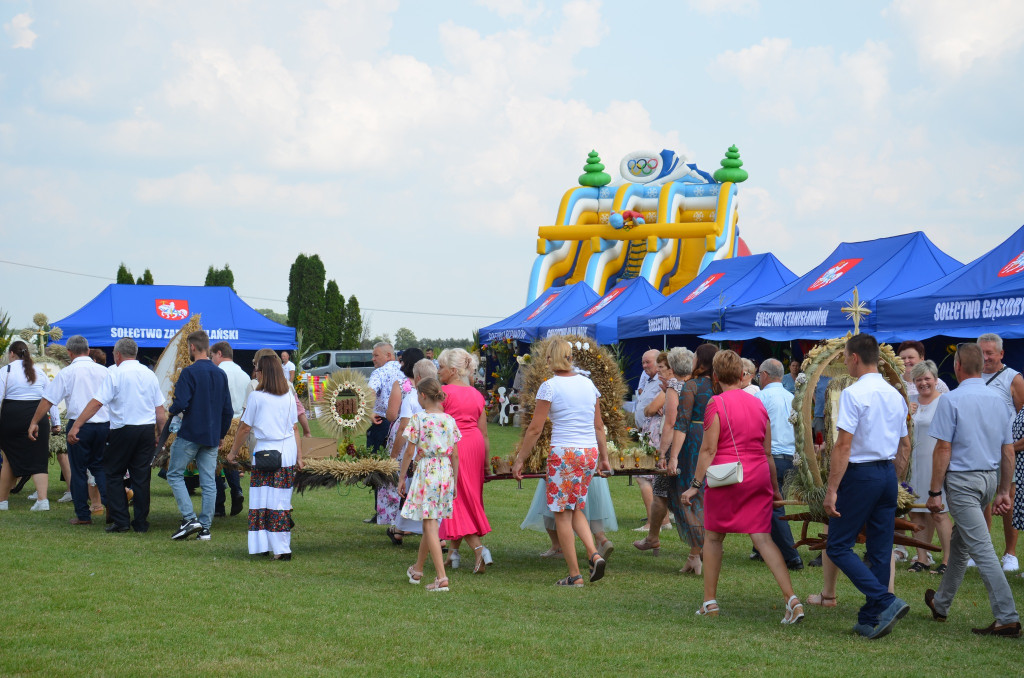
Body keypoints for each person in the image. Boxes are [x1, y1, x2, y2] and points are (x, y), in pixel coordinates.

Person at [681, 350, 804, 622]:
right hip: (758, 473)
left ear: (715, 376)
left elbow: (709, 449)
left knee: (713, 538)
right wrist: (774, 488)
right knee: (763, 538)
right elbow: (768, 452)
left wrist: (694, 485)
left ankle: (710, 601)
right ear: (741, 374)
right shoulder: (759, 404)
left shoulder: (716, 403)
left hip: (727, 476)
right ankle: (792, 600)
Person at [924, 342, 1020, 637]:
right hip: (989, 479)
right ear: (981, 365)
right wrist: (1004, 490)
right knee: (963, 543)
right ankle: (941, 603)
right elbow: (1008, 451)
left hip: (964, 481)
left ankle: (1007, 616)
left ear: (958, 367)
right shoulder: (998, 401)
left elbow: (943, 449)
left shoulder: (951, 400)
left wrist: (934, 492)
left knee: (982, 548)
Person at [824, 333, 912, 639]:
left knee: (837, 544)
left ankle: (885, 601)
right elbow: (905, 445)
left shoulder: (854, 393)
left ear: (855, 358)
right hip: (887, 473)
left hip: (861, 474)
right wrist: (896, 480)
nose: (845, 361)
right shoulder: (895, 394)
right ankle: (870, 617)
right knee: (879, 548)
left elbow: (843, 446)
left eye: (846, 357)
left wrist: (832, 488)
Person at [513, 339, 611, 586]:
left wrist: (520, 459)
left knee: (561, 514)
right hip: (588, 453)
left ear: (550, 358)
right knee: (576, 507)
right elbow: (598, 425)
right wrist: (605, 457)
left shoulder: (549, 387)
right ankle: (594, 553)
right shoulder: (589, 385)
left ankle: (575, 575)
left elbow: (535, 429)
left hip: (564, 453)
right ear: (569, 356)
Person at [68, 337, 167, 533]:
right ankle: (140, 523)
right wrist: (161, 436)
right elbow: (160, 411)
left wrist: (77, 425)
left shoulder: (116, 374)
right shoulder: (149, 374)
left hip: (123, 429)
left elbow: (97, 403)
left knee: (112, 473)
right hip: (146, 430)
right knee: (141, 477)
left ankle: (121, 520)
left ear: (118, 355)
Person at [636, 344, 718, 574]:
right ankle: (695, 550)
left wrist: (665, 455)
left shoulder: (682, 385)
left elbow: (674, 423)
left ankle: (688, 546)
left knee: (677, 493)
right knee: (700, 492)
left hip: (685, 446)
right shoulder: (715, 385)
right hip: (711, 441)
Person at [226, 354, 302, 560]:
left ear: (264, 373)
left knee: (262, 501)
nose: (255, 373)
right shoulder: (287, 395)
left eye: (257, 370)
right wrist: (299, 456)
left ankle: (272, 547)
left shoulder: (257, 397)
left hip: (266, 453)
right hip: (286, 452)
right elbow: (295, 428)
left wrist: (233, 452)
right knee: (281, 502)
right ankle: (279, 545)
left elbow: (244, 428)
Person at [27, 335, 109, 524]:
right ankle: (111, 505)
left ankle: (83, 515)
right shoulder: (104, 371)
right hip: (104, 425)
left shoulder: (67, 372)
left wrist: (34, 422)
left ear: (69, 353)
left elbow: (48, 399)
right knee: (100, 467)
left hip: (79, 426)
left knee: (78, 470)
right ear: (88, 351)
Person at [164, 331, 233, 541]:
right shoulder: (220, 374)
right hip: (212, 435)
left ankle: (189, 518)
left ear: (192, 347)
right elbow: (227, 410)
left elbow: (181, 403)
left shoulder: (189, 372)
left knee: (174, 474)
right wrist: (221, 434)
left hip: (191, 433)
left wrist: (172, 410)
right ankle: (205, 528)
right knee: (209, 481)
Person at [398, 377, 460, 592]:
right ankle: (417, 569)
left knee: (430, 525)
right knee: (430, 523)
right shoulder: (449, 420)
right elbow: (456, 456)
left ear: (423, 395)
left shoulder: (418, 419)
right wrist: (456, 482)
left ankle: (441, 578)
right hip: (445, 472)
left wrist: (401, 477)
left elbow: (408, 452)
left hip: (427, 472)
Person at [437, 347, 492, 572]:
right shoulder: (477, 395)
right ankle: (453, 554)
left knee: (456, 500)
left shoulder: (444, 393)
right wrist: (487, 463)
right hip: (476, 446)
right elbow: (485, 433)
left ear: (452, 370)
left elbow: (438, 427)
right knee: (468, 499)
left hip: (455, 446)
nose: (438, 371)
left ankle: (480, 550)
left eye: (441, 367)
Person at [977, 332, 1023, 573]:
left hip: (1007, 450)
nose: (985, 358)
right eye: (981, 353)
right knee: (982, 499)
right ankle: (982, 550)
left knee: (1009, 502)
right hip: (978, 450)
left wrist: (1013, 447)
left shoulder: (1012, 378)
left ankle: (1010, 553)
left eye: (990, 353)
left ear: (1001, 354)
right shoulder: (971, 376)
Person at [751, 358, 803, 570]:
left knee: (773, 507)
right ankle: (762, 548)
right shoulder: (792, 397)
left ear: (764, 375)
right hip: (791, 458)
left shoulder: (760, 397)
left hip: (770, 457)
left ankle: (792, 556)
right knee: (765, 505)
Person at [0, 341, 60, 512]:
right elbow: (51, 399)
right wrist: (56, 422)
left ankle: (2, 501)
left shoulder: (5, 371)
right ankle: (43, 500)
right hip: (38, 416)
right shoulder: (39, 372)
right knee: (39, 459)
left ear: (12, 354)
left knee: (8, 459)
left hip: (12, 417)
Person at [905, 360, 950, 574]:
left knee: (939, 513)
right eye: (919, 379)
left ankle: (948, 561)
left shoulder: (945, 401)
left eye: (927, 378)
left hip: (934, 465)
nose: (923, 383)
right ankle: (921, 558)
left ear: (935, 379)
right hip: (912, 466)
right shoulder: (909, 401)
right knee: (915, 513)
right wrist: (906, 414)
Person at [389, 358, 439, 542]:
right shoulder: (439, 400)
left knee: (408, 490)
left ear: (417, 378)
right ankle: (436, 533)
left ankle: (400, 530)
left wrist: (394, 455)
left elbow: (403, 428)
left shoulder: (411, 398)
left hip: (416, 454)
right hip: (436, 455)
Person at [379, 348, 426, 541]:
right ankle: (412, 523)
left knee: (398, 478)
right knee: (417, 480)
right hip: (426, 434)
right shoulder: (431, 386)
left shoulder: (402, 385)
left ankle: (397, 524)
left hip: (404, 432)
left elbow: (391, 414)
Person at [211, 341, 249, 517]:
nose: (212, 360)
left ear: (219, 354)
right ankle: (237, 491)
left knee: (215, 462)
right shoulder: (244, 374)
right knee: (231, 458)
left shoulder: (218, 373)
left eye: (212, 356)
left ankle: (219, 505)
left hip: (221, 421)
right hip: (239, 423)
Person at [632, 349, 667, 533]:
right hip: (647, 431)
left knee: (645, 476)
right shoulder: (650, 380)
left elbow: (652, 408)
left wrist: (649, 409)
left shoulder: (664, 383)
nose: (645, 366)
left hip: (655, 433)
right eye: (643, 362)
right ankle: (665, 521)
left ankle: (652, 523)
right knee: (657, 477)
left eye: (650, 363)